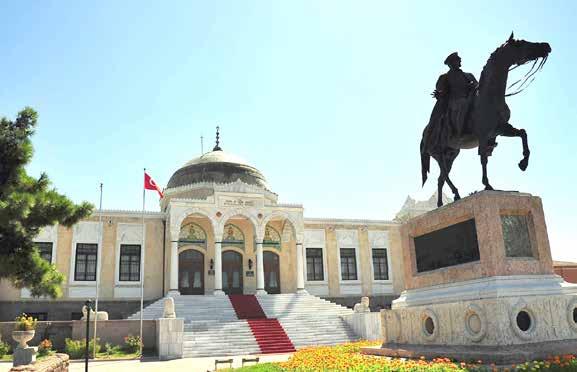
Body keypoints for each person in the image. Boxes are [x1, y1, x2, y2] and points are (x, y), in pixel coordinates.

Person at [431, 52, 478, 138]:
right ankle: (459, 132)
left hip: (470, 99)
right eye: (457, 60)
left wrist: (473, 87)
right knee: (461, 105)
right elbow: (440, 89)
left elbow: (478, 86)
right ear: (451, 64)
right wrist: (441, 94)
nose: (459, 61)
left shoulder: (468, 75)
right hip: (455, 100)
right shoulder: (445, 77)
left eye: (459, 60)